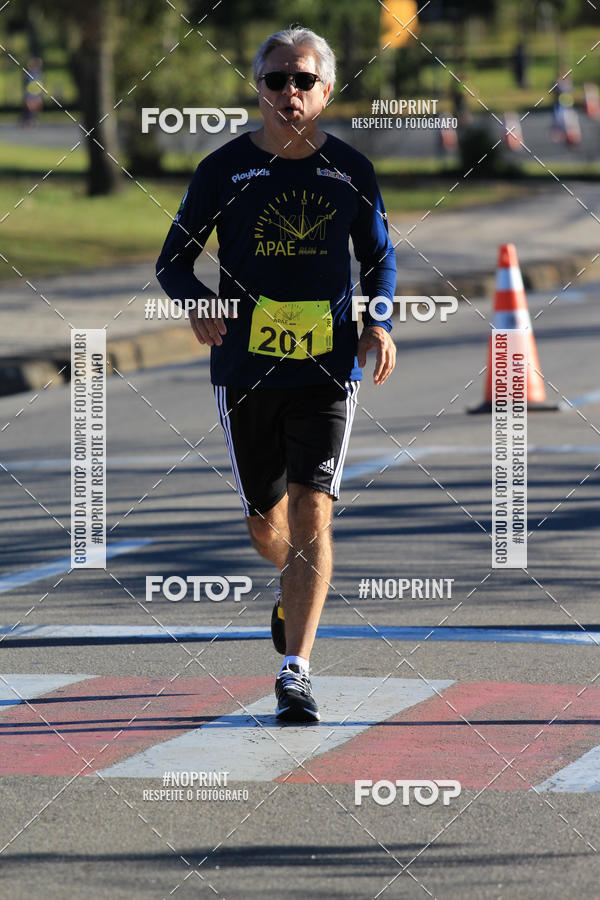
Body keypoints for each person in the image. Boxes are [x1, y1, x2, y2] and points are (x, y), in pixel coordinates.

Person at [156, 27, 396, 723]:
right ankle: (291, 589)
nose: (289, 93)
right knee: (268, 523)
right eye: (276, 80)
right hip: (246, 368)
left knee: (314, 507)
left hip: (327, 368)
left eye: (303, 81)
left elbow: (380, 260)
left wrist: (377, 324)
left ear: (326, 91)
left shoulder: (350, 169)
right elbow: (173, 260)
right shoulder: (223, 170)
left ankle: (297, 669)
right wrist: (199, 302)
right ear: (257, 88)